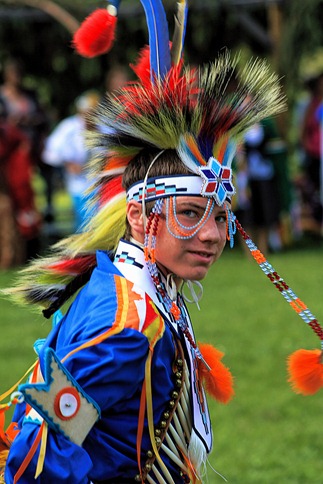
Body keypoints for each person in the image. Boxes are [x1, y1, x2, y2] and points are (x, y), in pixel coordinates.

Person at [2, 1, 316, 483]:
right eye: (190, 214)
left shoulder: (127, 282)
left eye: (219, 215)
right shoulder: (127, 326)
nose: (212, 235)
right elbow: (39, 453)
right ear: (138, 217)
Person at [42, 91, 100, 231]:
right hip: (79, 186)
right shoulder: (68, 127)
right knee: (85, 225)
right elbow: (49, 152)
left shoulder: (105, 128)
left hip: (100, 186)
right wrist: (68, 163)